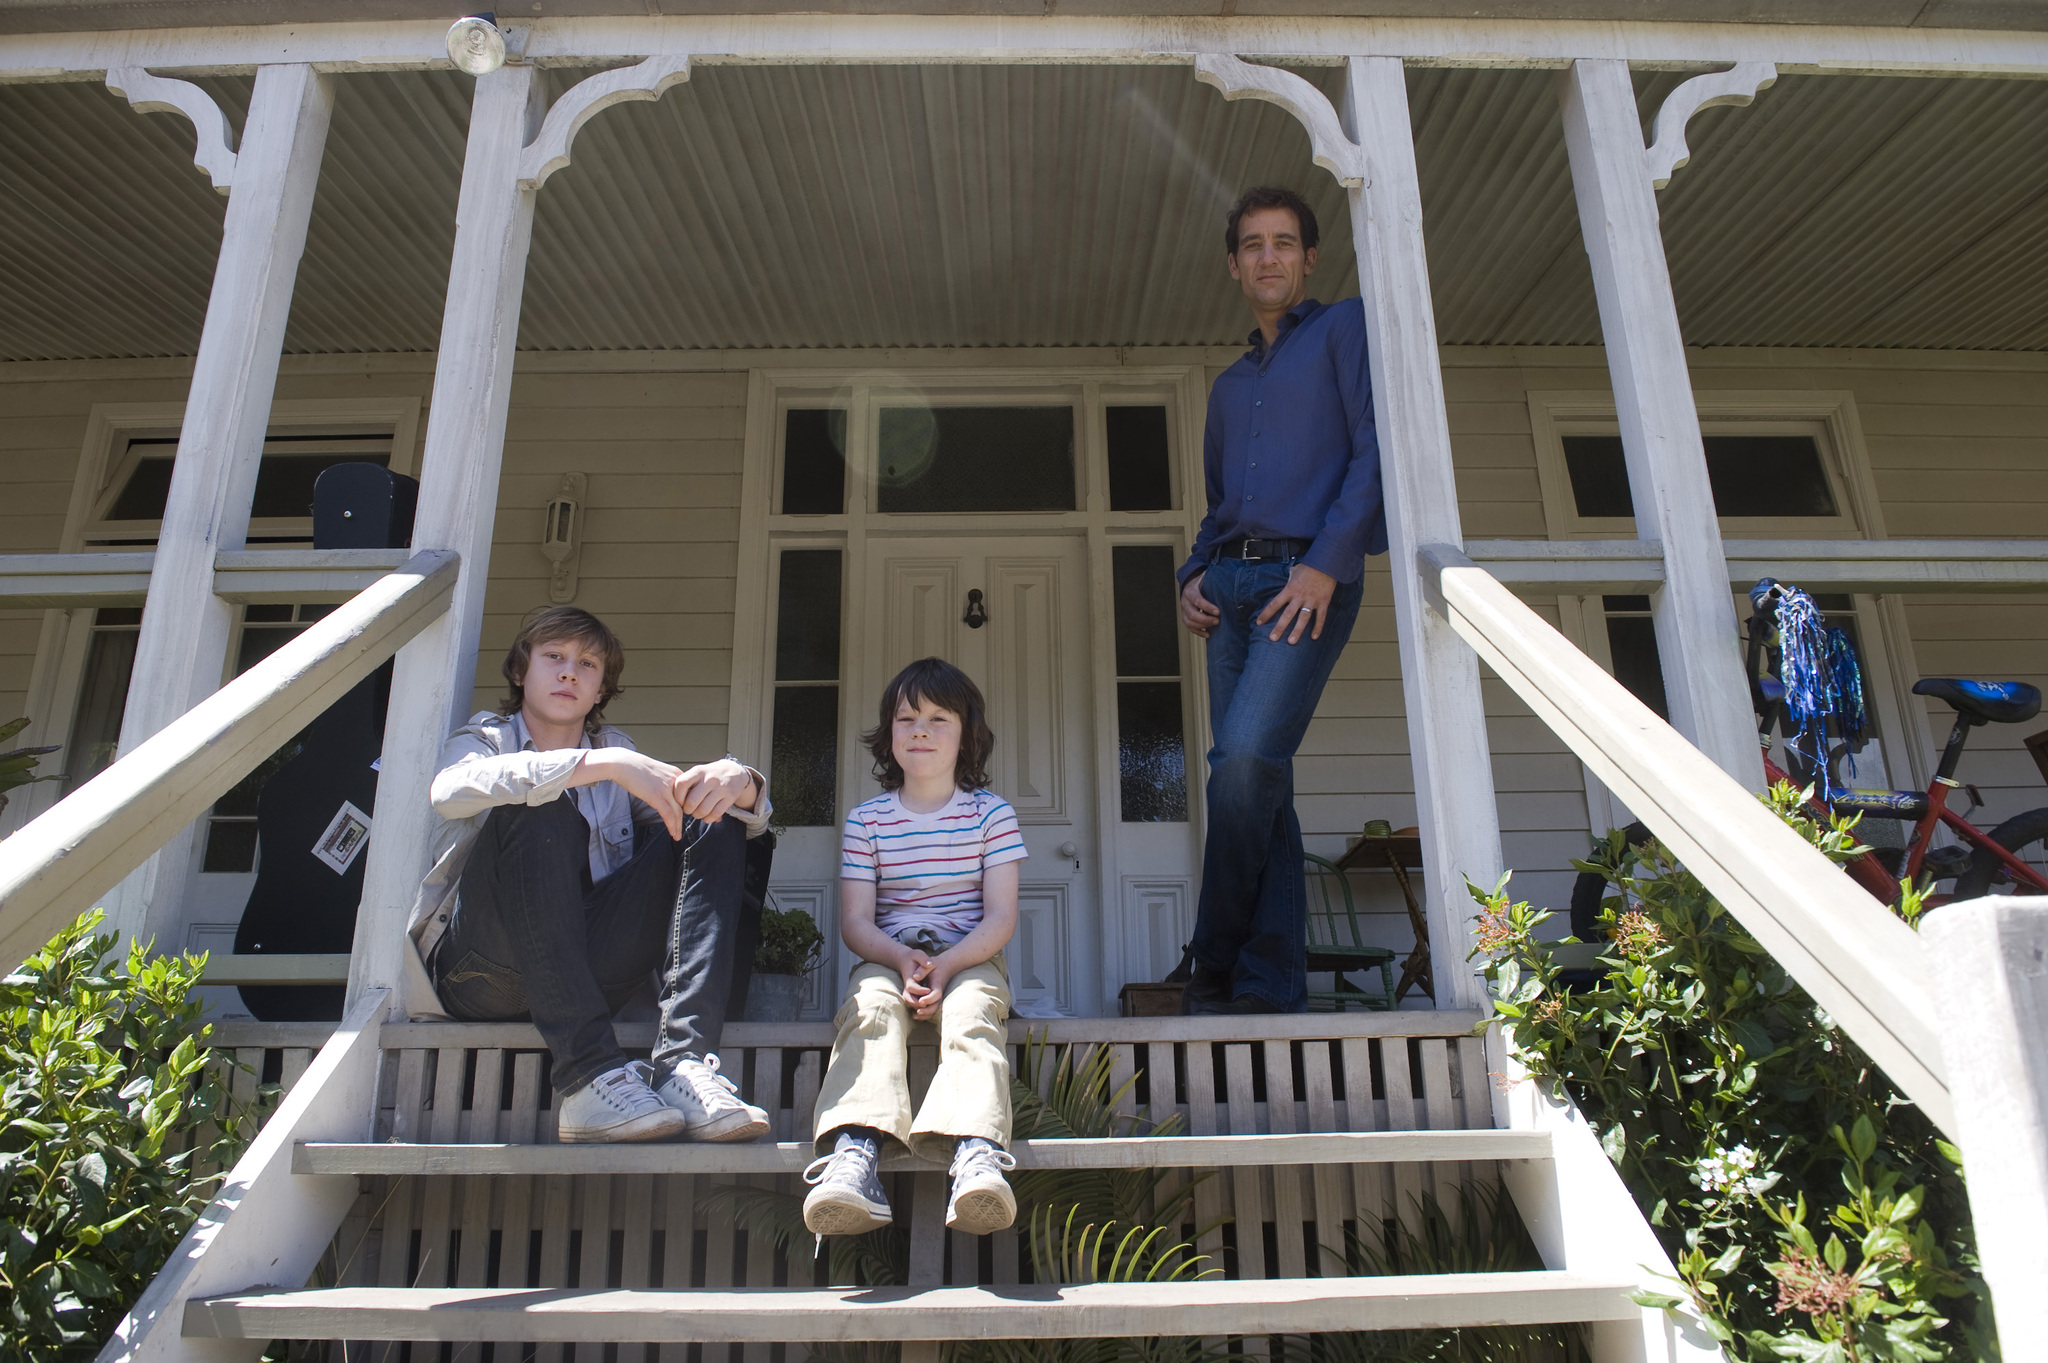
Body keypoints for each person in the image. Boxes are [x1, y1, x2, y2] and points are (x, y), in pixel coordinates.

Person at [402, 605, 775, 1144]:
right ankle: (589, 1077)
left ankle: (685, 1065)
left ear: (601, 689)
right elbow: (449, 791)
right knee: (537, 803)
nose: (570, 672)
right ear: (519, 671)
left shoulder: (618, 752)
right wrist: (601, 768)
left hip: (592, 971)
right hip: (485, 971)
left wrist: (739, 780)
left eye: (588, 664)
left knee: (712, 821)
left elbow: (721, 812)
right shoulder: (486, 737)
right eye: (553, 656)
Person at [1176, 186, 1388, 1015]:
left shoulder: (1345, 329)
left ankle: (1212, 954)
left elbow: (1374, 452)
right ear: (1235, 264)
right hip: (1229, 589)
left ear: (1308, 257)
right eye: (1253, 245)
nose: (1269, 256)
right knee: (1266, 789)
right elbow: (1219, 505)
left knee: (1244, 764)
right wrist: (1191, 576)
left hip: (1305, 582)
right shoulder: (1229, 387)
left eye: (1284, 243)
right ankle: (1264, 982)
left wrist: (1328, 564)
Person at [801, 657, 1027, 1238]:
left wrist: (948, 965)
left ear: (967, 734)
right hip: (887, 953)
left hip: (970, 955)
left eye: (938, 718)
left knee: (973, 1012)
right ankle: (854, 1155)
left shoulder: (990, 815)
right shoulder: (867, 822)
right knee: (872, 1007)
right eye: (906, 718)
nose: (920, 730)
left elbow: (1001, 917)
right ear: (889, 734)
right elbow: (856, 921)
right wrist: (902, 961)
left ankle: (977, 1155)